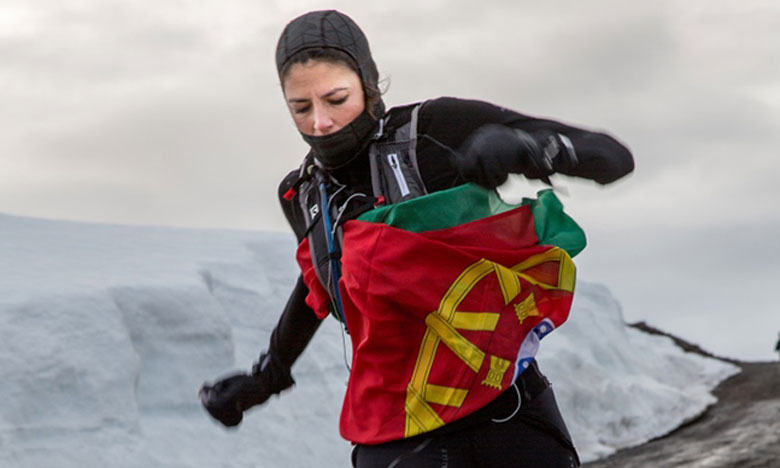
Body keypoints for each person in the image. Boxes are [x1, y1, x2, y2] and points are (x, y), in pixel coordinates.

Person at [200, 10, 634, 468]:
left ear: (368, 83)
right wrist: (267, 376)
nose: (321, 123)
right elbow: (320, 284)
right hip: (396, 430)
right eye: (301, 108)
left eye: (335, 98)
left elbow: (612, 157)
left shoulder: (435, 130)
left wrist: (531, 150)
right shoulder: (305, 195)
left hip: (504, 406)